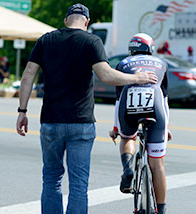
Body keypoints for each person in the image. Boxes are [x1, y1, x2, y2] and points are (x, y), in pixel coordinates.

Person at [16, 3, 158, 214]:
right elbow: (106, 75)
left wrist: (22, 111)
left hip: (51, 122)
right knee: (79, 184)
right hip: (80, 123)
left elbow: (28, 75)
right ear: (87, 22)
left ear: (66, 20)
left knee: (51, 178)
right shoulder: (92, 41)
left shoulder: (46, 40)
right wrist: (137, 77)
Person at [109, 33, 171, 214]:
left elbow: (119, 101)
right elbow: (165, 100)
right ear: (150, 48)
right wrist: (166, 127)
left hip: (129, 108)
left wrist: (116, 128)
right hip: (157, 110)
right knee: (158, 165)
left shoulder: (123, 64)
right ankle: (161, 208)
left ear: (131, 49)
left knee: (127, 137)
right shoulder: (161, 64)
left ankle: (128, 168)